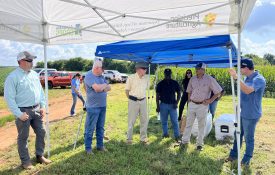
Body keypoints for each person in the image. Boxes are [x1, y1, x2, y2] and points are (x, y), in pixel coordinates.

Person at [4, 51, 51, 169]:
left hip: (36, 109)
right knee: (23, 137)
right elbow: (9, 98)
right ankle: (25, 162)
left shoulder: (34, 74)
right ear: (21, 61)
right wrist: (19, 114)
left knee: (42, 132)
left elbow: (40, 92)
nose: (32, 63)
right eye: (29, 61)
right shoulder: (12, 77)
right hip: (23, 111)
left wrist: (42, 106)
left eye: (32, 60)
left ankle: (39, 156)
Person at [226, 58, 266, 166]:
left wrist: (236, 77)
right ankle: (233, 155)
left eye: (240, 68)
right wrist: (239, 105)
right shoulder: (246, 78)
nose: (239, 70)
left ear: (246, 68)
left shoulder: (259, 79)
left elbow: (248, 90)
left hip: (251, 114)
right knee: (237, 133)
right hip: (243, 112)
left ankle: (246, 160)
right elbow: (243, 93)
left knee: (248, 137)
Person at [180, 62, 222, 151]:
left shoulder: (209, 79)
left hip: (202, 105)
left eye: (198, 69)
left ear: (203, 70)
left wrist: (210, 100)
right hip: (192, 104)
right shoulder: (192, 79)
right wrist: (189, 101)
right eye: (196, 68)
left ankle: (199, 144)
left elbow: (218, 92)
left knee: (201, 125)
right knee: (188, 124)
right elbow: (189, 91)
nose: (196, 70)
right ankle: (184, 141)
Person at [84, 58, 111, 154]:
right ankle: (88, 148)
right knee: (90, 128)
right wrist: (104, 86)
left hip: (102, 106)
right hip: (93, 107)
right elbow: (98, 89)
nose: (103, 71)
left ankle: (100, 146)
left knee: (100, 127)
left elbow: (109, 87)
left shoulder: (101, 76)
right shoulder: (89, 76)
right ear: (96, 68)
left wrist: (102, 87)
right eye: (101, 69)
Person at [125, 62, 149, 144]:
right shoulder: (131, 78)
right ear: (138, 69)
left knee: (144, 120)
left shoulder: (146, 78)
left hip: (143, 101)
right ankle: (129, 139)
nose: (146, 70)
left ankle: (143, 138)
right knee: (131, 120)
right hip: (133, 101)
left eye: (146, 69)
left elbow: (147, 88)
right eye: (144, 69)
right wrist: (131, 99)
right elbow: (127, 90)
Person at [156, 68, 181, 140]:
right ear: (164, 74)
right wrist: (158, 106)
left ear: (171, 74)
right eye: (166, 74)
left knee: (175, 121)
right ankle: (165, 134)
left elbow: (179, 93)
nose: (167, 76)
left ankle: (177, 136)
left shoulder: (175, 83)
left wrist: (177, 102)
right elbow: (157, 96)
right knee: (164, 121)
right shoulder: (160, 84)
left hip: (173, 105)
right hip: (163, 105)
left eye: (169, 74)